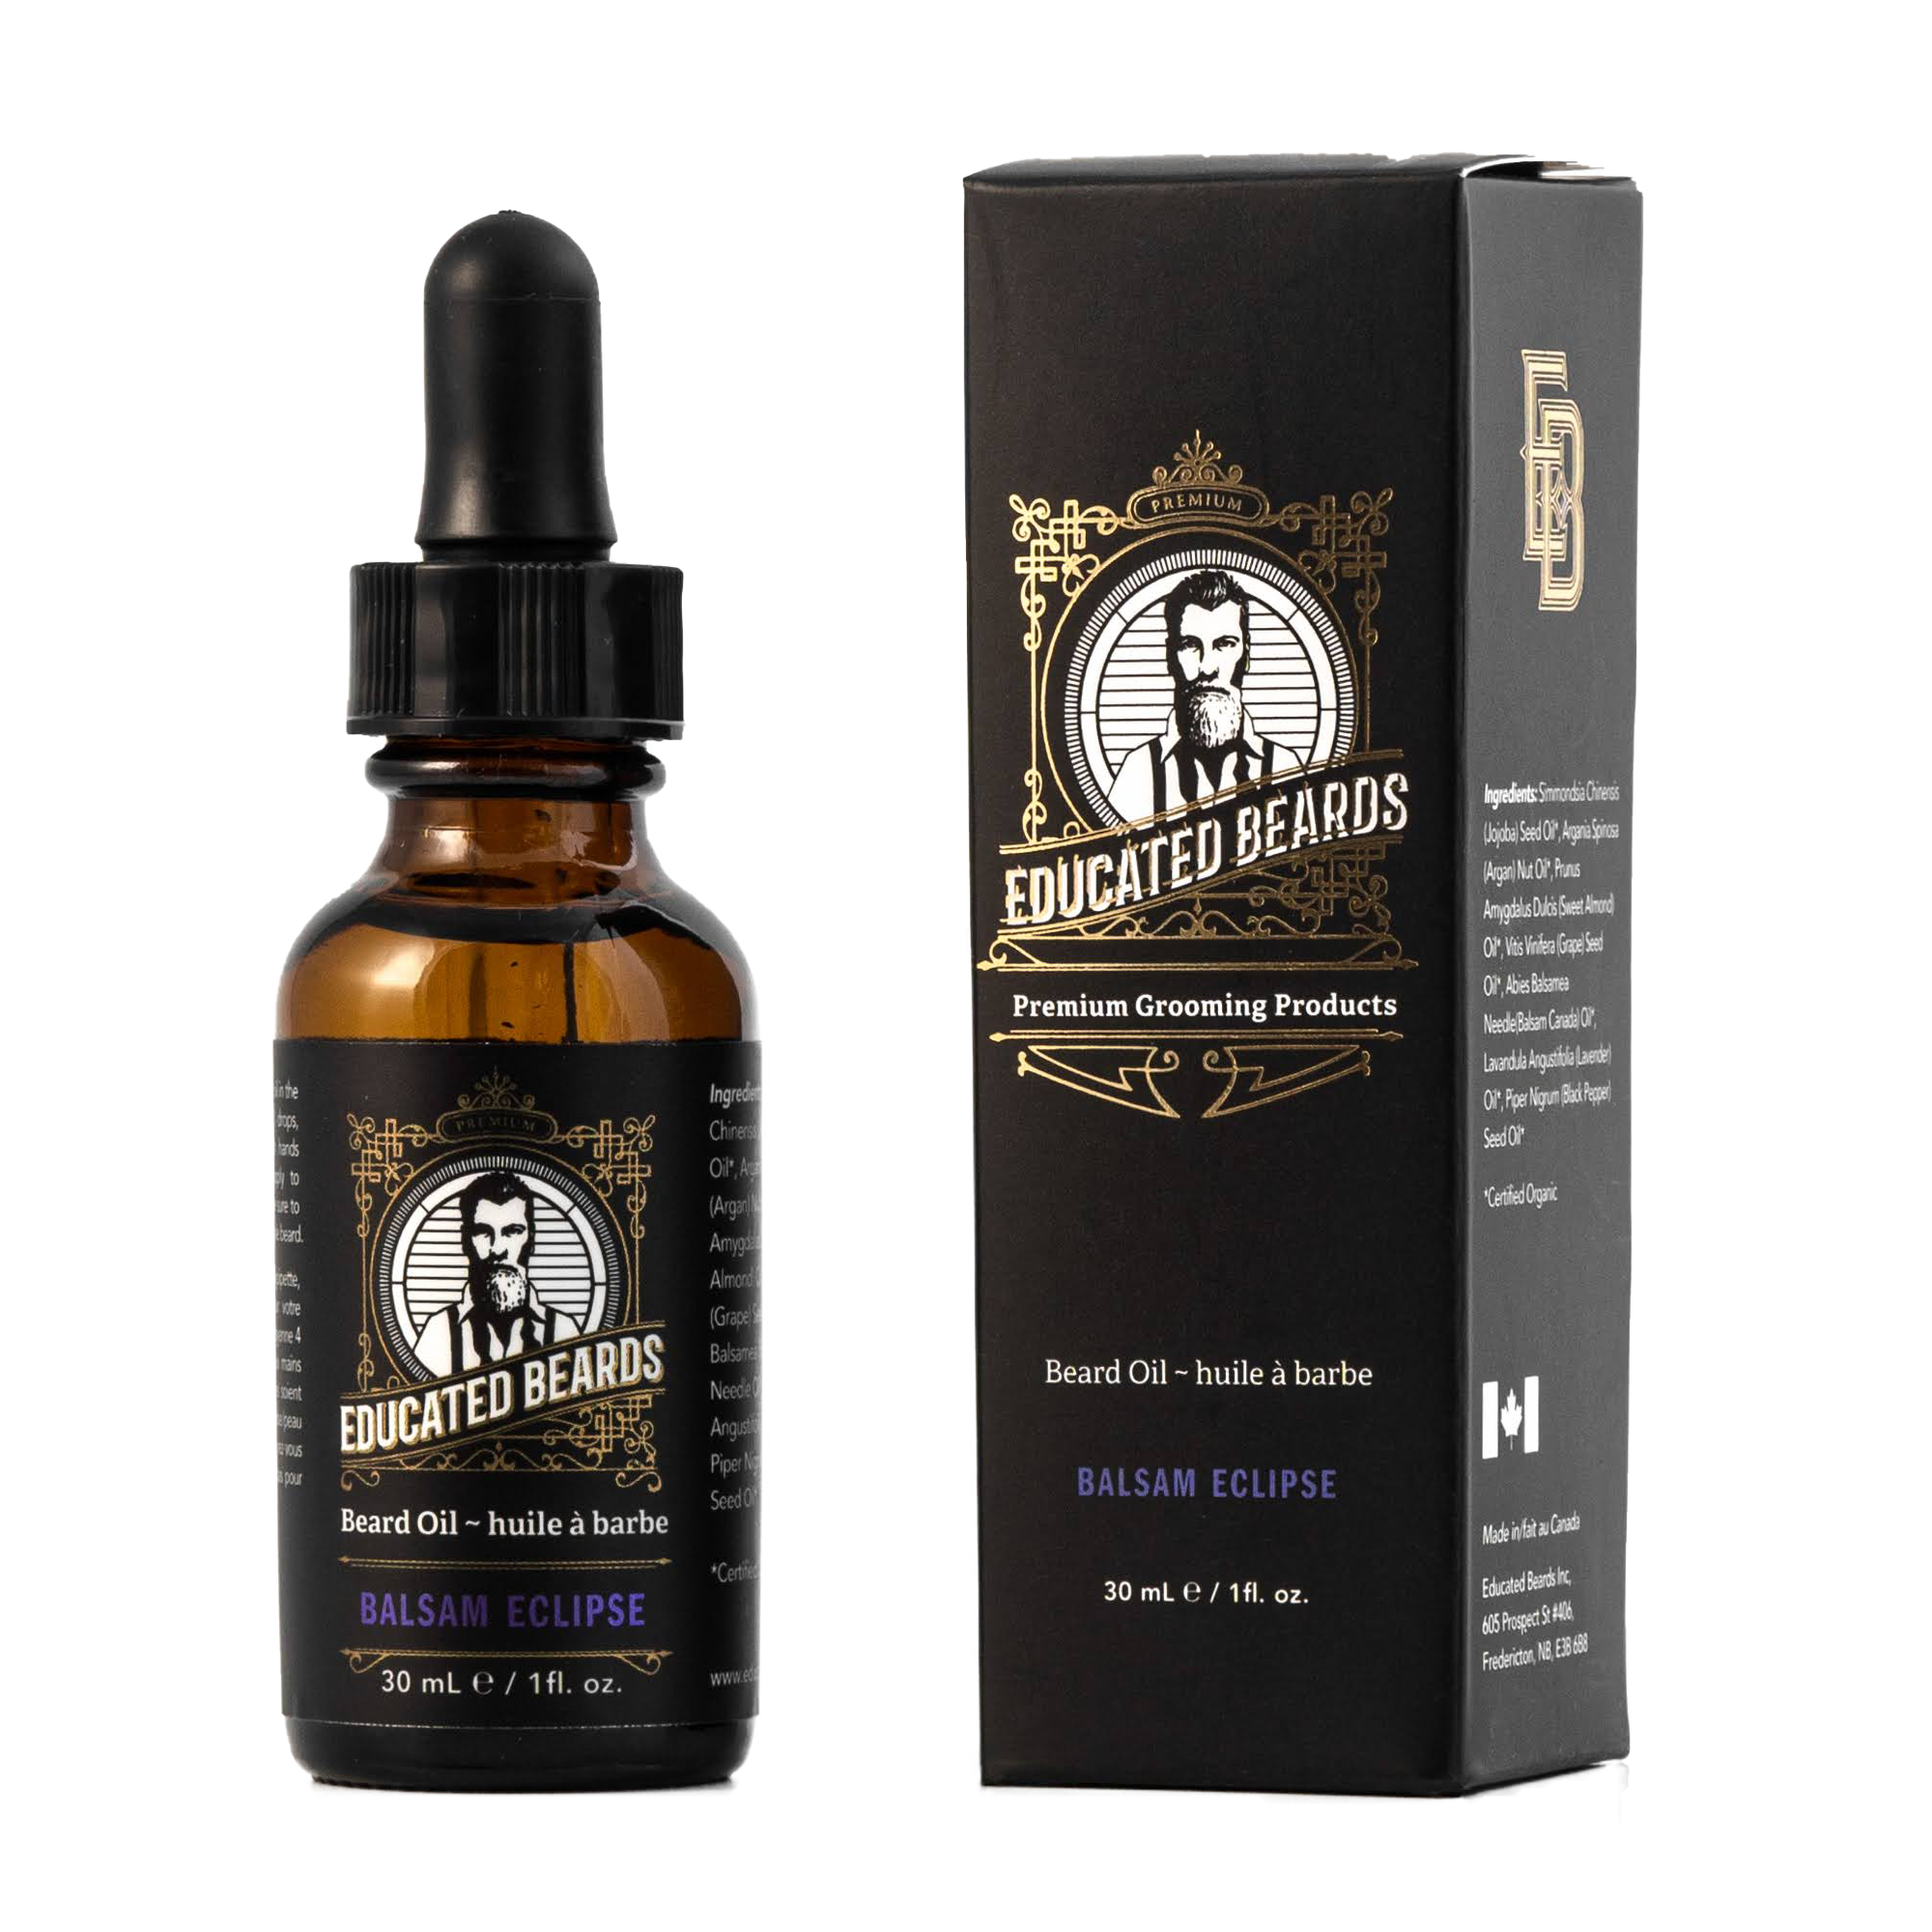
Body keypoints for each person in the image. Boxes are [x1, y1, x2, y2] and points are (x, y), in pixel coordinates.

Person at [1105, 567, 1303, 821]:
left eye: (1225, 644)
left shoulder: (1284, 766)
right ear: (1170, 656)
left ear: (1247, 654)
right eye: (1190, 645)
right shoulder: (1139, 771)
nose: (1207, 667)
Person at [412, 1170, 581, 1377]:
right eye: (483, 1232)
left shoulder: (564, 1329)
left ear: (532, 1240)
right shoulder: (438, 1331)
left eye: (513, 1231)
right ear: (465, 1241)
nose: (498, 1248)